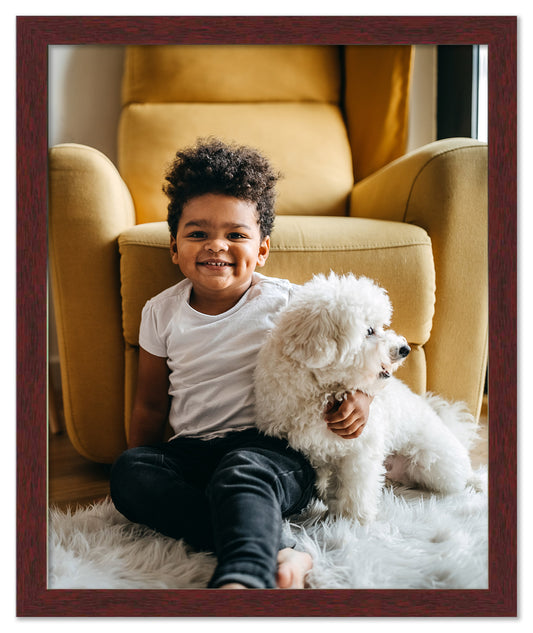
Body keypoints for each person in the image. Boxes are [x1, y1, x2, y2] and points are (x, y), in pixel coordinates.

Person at [110, 138, 372, 589]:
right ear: (174, 247)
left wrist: (363, 394)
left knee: (241, 473)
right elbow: (151, 405)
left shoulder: (288, 302)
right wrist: (144, 460)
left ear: (262, 249)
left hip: (271, 453)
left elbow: (368, 349)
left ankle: (244, 578)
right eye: (198, 233)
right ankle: (281, 550)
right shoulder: (160, 311)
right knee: (130, 474)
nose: (217, 245)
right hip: (192, 453)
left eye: (235, 234)